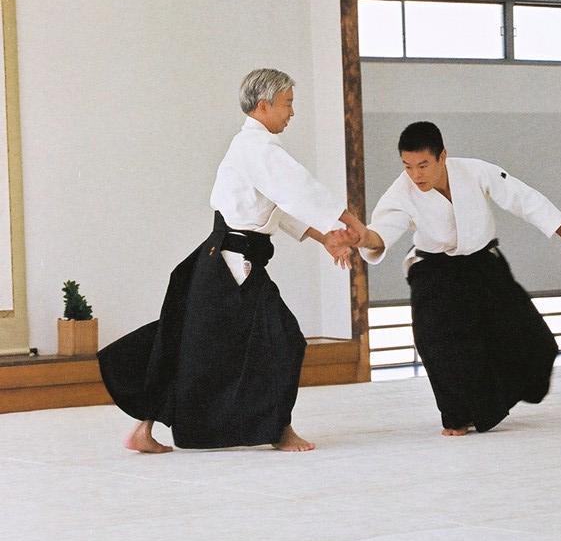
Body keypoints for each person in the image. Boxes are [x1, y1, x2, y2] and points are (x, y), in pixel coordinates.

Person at [98, 69, 364, 454]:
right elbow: (300, 190)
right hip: (233, 264)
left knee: (188, 339)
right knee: (282, 339)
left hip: (223, 259)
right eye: (287, 104)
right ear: (264, 106)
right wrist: (351, 223)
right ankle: (280, 430)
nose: (292, 112)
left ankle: (145, 428)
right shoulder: (257, 149)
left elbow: (279, 206)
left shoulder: (252, 149)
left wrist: (326, 237)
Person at [330, 121, 561, 436]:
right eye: (408, 166)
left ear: (442, 156)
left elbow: (523, 199)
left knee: (536, 342)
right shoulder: (401, 192)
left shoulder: (474, 171)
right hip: (434, 271)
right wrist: (361, 237)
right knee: (439, 345)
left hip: (481, 264)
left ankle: (492, 400)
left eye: (423, 165)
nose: (416, 175)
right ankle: (457, 416)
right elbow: (380, 234)